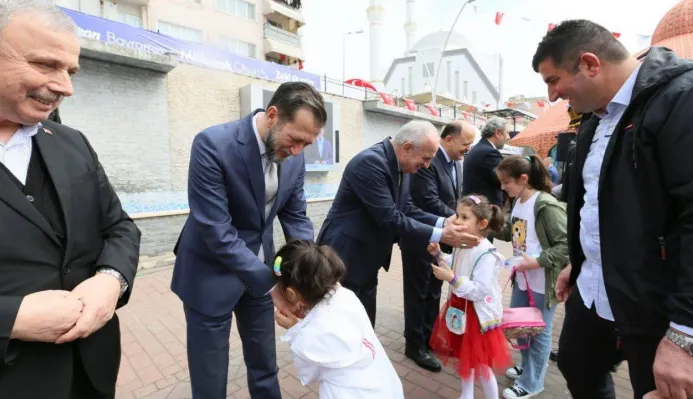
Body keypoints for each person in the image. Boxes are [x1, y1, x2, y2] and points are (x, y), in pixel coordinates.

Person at [534, 20, 693, 399]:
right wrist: (580, 261)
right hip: (595, 290)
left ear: (590, 63)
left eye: (553, 80)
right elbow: (603, 204)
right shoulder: (594, 120)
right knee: (578, 366)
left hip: (659, 308)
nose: (551, 96)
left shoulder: (691, 95)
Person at [0, 2, 141, 398]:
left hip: (92, 373)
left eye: (70, 71)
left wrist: (111, 280)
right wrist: (12, 318)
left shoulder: (73, 144)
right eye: (46, 65)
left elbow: (120, 227)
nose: (66, 87)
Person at [171, 81, 326, 399]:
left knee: (265, 366)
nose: (297, 152)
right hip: (209, 276)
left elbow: (295, 217)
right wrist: (272, 284)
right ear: (273, 115)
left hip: (261, 273)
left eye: (305, 145)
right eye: (295, 139)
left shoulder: (294, 159)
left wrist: (311, 272)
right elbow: (216, 230)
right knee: (210, 381)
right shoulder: (212, 144)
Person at [317, 120, 479, 327]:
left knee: (363, 324)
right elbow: (390, 217)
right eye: (426, 158)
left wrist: (445, 221)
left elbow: (407, 207)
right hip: (346, 256)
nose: (427, 165)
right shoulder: (370, 163)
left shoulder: (402, 164)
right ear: (407, 148)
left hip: (368, 257)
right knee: (342, 323)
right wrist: (441, 235)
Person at [272, 240, 404, 399]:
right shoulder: (347, 297)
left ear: (291, 294)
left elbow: (309, 374)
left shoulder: (310, 337)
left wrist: (294, 329)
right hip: (385, 386)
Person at [400, 120, 476, 372]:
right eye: (466, 143)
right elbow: (427, 200)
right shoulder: (427, 160)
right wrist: (459, 223)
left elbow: (454, 199)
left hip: (442, 237)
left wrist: (460, 221)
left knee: (433, 290)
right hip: (421, 236)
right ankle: (414, 345)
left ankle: (428, 338)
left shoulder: (456, 163)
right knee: (418, 292)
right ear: (449, 139)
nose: (468, 148)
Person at [493, 155, 568, 399]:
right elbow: (514, 236)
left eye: (507, 182)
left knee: (539, 333)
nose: (503, 188)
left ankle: (532, 383)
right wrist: (485, 223)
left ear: (524, 179)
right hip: (523, 279)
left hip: (543, 281)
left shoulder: (545, 204)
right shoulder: (519, 202)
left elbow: (566, 245)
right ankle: (527, 369)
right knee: (520, 326)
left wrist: (536, 261)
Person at [427, 194, 512, 399]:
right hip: (460, 308)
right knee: (464, 358)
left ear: (482, 224)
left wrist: (453, 279)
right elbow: (457, 263)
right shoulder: (463, 244)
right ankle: (466, 395)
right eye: (457, 215)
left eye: (464, 218)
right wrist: (439, 254)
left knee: (481, 365)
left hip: (477, 316)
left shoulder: (487, 254)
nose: (457, 221)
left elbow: (479, 290)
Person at [462, 117, 511, 208]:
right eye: (507, 133)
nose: (509, 137)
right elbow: (504, 179)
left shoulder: (480, 148)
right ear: (498, 133)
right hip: (486, 210)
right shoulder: (489, 153)